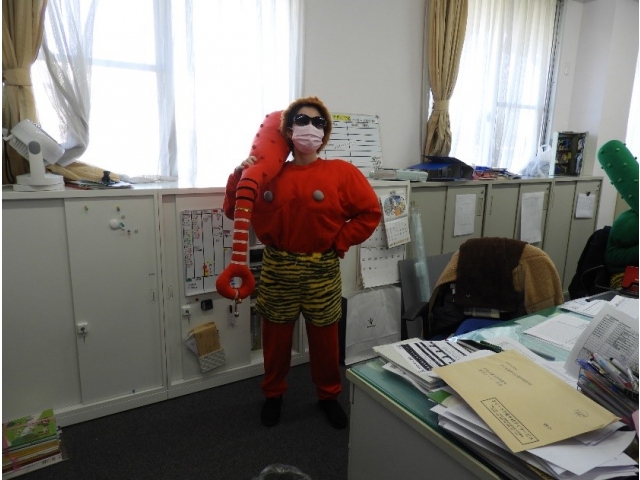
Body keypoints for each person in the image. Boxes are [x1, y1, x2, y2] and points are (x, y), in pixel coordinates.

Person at [222, 97, 382, 428]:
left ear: (325, 132)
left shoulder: (341, 172)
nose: (311, 127)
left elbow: (370, 212)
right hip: (278, 267)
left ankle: (329, 395)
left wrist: (341, 240)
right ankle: (273, 394)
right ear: (288, 129)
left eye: (318, 122)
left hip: (321, 269)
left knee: (325, 340)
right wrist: (240, 174)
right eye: (302, 120)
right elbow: (232, 210)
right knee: (275, 339)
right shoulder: (267, 173)